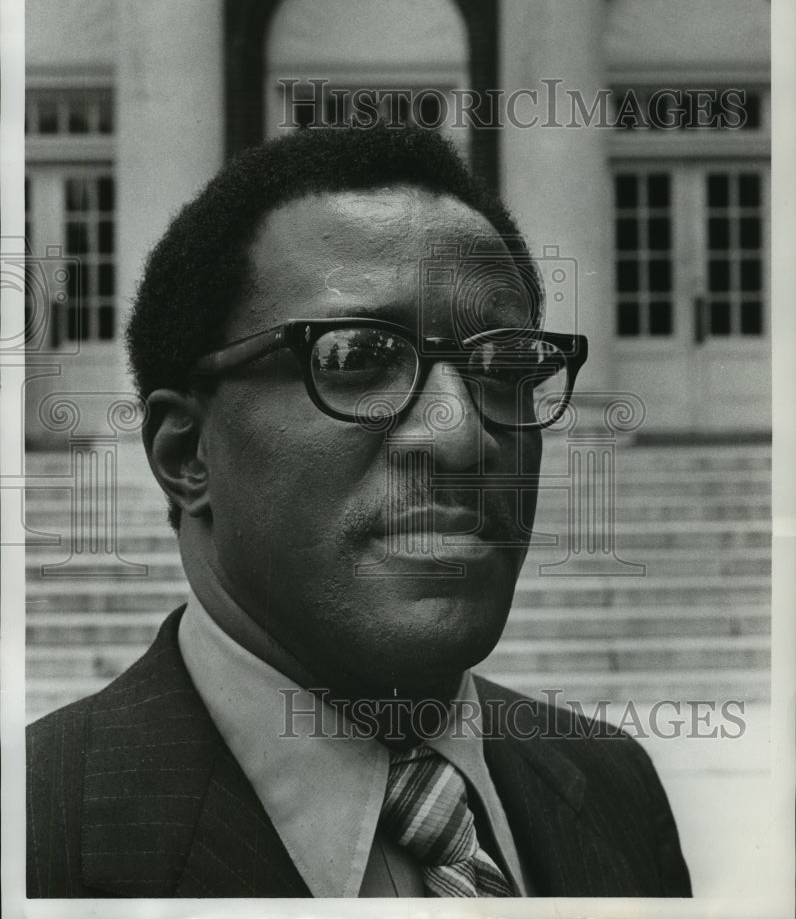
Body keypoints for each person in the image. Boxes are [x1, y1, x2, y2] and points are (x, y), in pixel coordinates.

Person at [26, 126, 691, 898]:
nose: (464, 436)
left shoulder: (612, 786)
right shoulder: (39, 838)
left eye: (506, 364)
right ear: (187, 456)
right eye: (356, 358)